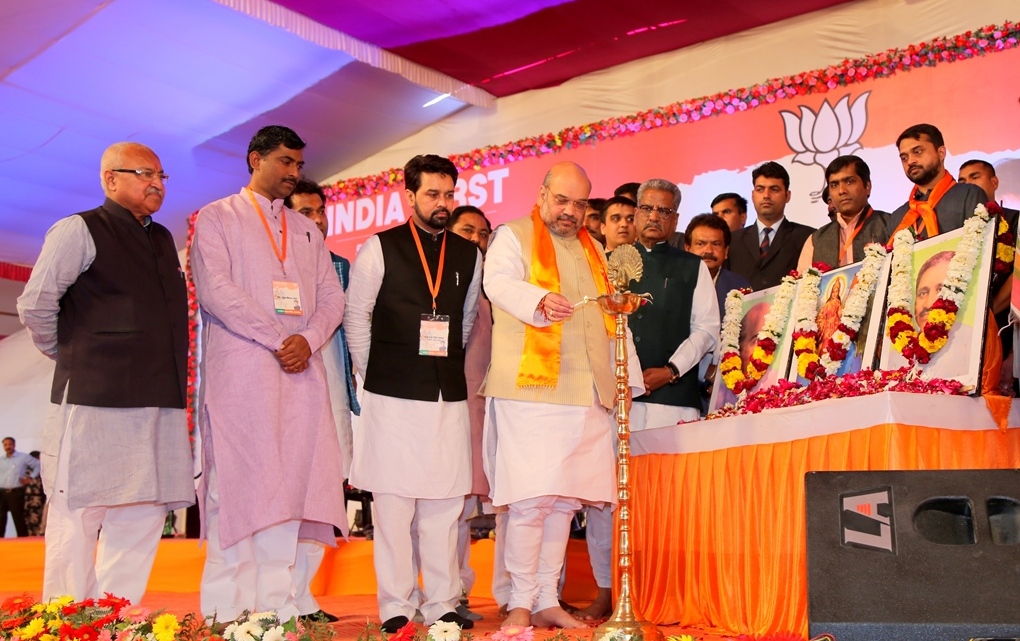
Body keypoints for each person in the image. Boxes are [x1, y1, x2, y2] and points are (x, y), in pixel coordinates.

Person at [17, 142, 193, 601]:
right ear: (110, 179)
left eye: (161, 175)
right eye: (144, 173)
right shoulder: (79, 229)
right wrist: (73, 353)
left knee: (144, 513)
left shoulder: (160, 239)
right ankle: (68, 620)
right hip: (94, 398)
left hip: (160, 398)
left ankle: (115, 619)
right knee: (80, 511)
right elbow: (35, 305)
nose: (156, 183)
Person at [192, 126, 347, 622]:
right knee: (234, 489)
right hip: (243, 372)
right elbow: (217, 290)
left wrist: (308, 338)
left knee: (289, 486)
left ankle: (277, 611)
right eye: (284, 162)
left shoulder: (305, 230)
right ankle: (226, 613)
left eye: (298, 164)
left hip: (300, 374)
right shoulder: (218, 218)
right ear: (255, 160)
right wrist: (280, 338)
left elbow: (331, 298)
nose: (293, 173)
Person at [482, 161, 644, 629]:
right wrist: (537, 300)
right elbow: (498, 282)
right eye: (562, 200)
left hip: (586, 390)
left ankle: (546, 599)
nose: (570, 211)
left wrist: (625, 382)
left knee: (564, 502)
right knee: (533, 501)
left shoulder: (595, 249)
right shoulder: (512, 236)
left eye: (579, 203)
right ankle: (518, 603)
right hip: (531, 388)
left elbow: (617, 317)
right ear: (542, 195)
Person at [345, 154, 482, 633]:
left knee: (445, 504)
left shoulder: (468, 253)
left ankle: (442, 601)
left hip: (446, 393)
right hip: (391, 394)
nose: (442, 204)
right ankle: (395, 605)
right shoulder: (379, 248)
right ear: (410, 196)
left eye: (449, 195)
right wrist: (371, 371)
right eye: (432, 195)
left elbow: (464, 321)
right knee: (395, 506)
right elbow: (355, 315)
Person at [580, 179, 719, 620]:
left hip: (672, 400)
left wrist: (671, 370)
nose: (654, 217)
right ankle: (608, 590)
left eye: (664, 211)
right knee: (608, 502)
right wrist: (628, 374)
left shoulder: (691, 267)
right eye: (647, 209)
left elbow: (706, 330)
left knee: (669, 502)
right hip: (615, 399)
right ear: (634, 213)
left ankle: (669, 591)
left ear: (675, 219)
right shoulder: (605, 263)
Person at [284, 178, 360, 623]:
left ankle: (304, 595)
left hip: (333, 394)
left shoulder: (340, 266)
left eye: (320, 211)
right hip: (290, 393)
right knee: (290, 497)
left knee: (327, 497)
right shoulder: (275, 263)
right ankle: (278, 595)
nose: (316, 220)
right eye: (304, 213)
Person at [448, 204, 496, 621]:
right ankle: (421, 593)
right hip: (438, 411)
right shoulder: (436, 286)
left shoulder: (490, 294)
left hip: (478, 415)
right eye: (468, 231)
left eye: (484, 234)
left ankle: (456, 594)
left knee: (462, 509)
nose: (478, 241)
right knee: (434, 507)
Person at [889, 124, 988, 240]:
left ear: (941, 153)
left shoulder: (969, 195)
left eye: (917, 152)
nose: (910, 161)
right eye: (904, 158)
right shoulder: (898, 217)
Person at [728, 162, 814, 291]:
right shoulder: (733, 240)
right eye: (760, 189)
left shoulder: (807, 237)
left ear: (787, 195)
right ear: (752, 195)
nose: (766, 195)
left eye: (774, 189)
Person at [797, 156, 891, 274]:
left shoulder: (891, 224)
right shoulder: (815, 240)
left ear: (867, 186)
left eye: (849, 182)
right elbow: (802, 288)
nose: (841, 190)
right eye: (834, 185)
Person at [684, 214, 751, 312]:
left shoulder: (740, 286)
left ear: (726, 251)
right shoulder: (671, 282)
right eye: (701, 244)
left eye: (716, 244)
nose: (709, 251)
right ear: (687, 249)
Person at [0, 437, 39, 537]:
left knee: (18, 518)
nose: (8, 447)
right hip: (1, 492)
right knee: (0, 518)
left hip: (15, 492)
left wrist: (30, 478)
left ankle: (22, 541)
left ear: (14, 445)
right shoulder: (1, 460)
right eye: (5, 445)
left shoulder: (23, 457)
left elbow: (38, 465)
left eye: (10, 444)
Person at [24, 451, 46, 537]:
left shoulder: (42, 470)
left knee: (38, 517)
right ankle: (32, 535)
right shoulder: (28, 471)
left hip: (37, 498)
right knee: (30, 518)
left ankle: (37, 534)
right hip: (30, 499)